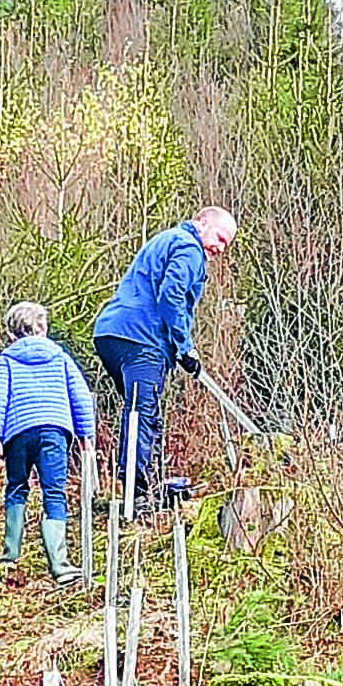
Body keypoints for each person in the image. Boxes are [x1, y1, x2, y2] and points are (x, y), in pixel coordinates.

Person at [92, 207, 237, 514]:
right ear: (202, 222)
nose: (220, 248)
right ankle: (138, 496)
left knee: (142, 412)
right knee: (142, 414)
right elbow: (171, 296)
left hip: (112, 334)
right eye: (219, 238)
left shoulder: (166, 240)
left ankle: (147, 486)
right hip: (141, 339)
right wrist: (185, 347)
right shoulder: (189, 247)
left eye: (226, 244)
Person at [0, 301, 95, 586]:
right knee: (54, 492)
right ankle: (60, 565)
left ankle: (10, 556)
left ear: (10, 334)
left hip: (18, 433)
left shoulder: (5, 361)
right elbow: (79, 397)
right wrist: (85, 435)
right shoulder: (61, 358)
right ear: (43, 328)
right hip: (55, 431)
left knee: (17, 487)